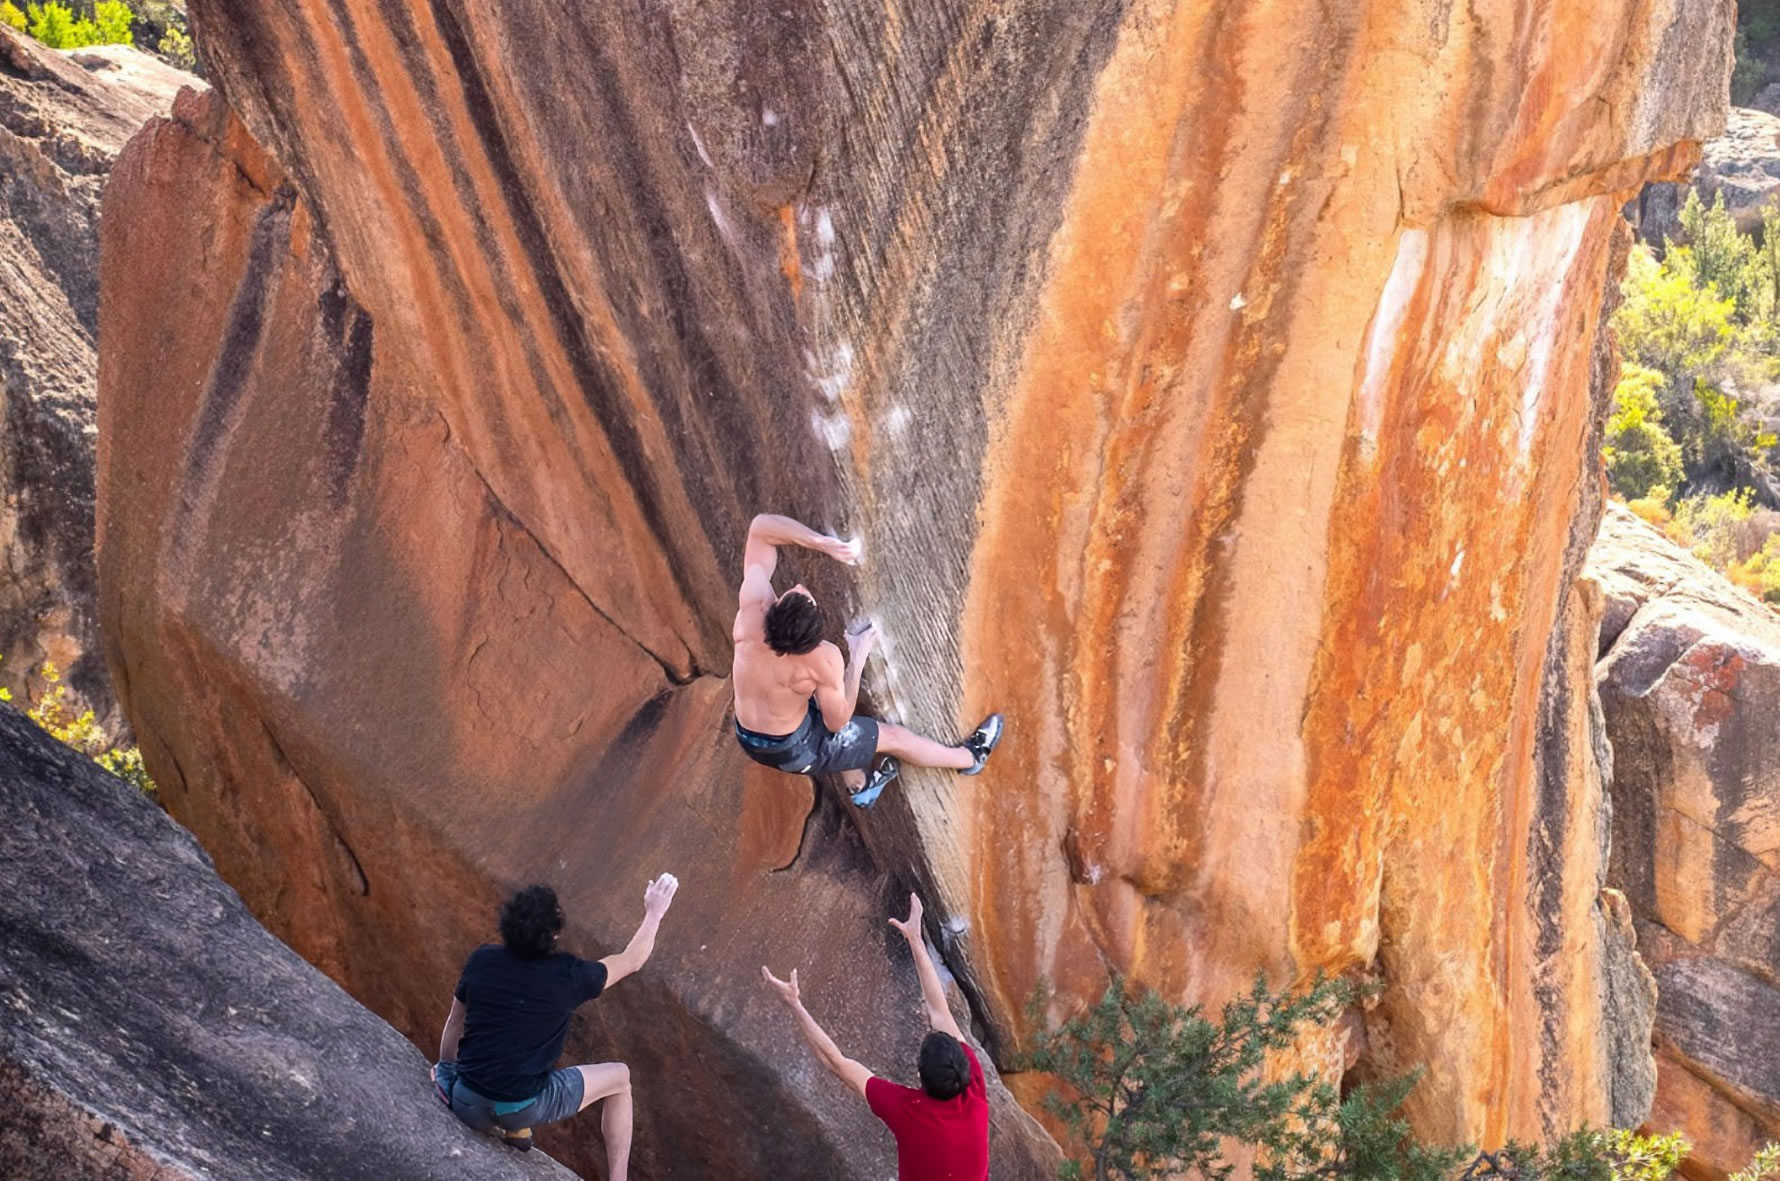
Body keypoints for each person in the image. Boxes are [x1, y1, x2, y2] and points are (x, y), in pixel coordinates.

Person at [732, 512, 1002, 806]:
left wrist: (824, 543)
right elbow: (837, 724)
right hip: (793, 750)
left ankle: (860, 786)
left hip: (748, 736)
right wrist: (857, 657)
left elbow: (759, 528)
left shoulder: (751, 615)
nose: (797, 586)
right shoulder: (822, 660)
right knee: (893, 737)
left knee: (817, 707)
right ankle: (969, 758)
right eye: (800, 595)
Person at [433, 876, 678, 1173]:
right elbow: (631, 961)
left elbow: (455, 1022)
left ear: (507, 924)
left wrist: (447, 1072)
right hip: (521, 1109)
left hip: (466, 1103)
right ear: (554, 934)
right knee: (620, 1079)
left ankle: (512, 1130)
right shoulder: (568, 976)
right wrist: (654, 912)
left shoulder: (482, 960)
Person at [761, 893, 989, 1180]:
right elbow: (940, 1014)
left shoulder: (910, 1113)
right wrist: (915, 941)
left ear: (920, 1076)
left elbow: (836, 1062)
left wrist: (794, 1004)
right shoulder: (975, 1088)